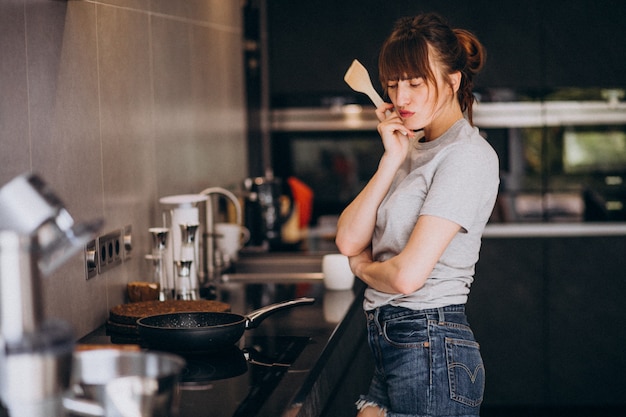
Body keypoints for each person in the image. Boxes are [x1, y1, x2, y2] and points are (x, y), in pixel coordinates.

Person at [335, 12, 499, 417]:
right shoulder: (411, 146)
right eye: (393, 83)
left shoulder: (466, 156)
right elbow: (347, 239)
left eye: (415, 82)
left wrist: (362, 269)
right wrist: (391, 160)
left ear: (452, 81)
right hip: (397, 343)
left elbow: (407, 276)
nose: (400, 97)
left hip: (430, 343)